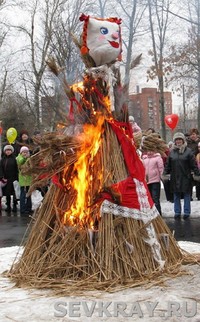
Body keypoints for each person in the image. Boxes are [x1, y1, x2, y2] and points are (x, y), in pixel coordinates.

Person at [162, 132, 200, 220]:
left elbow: (193, 165)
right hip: (175, 178)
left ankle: (186, 212)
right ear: (175, 141)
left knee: (187, 195)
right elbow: (168, 165)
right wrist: (164, 174)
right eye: (177, 140)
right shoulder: (171, 152)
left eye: (180, 139)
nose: (178, 141)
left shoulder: (188, 151)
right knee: (176, 196)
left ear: (183, 140)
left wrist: (197, 174)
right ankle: (177, 212)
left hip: (186, 177)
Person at [142, 151, 164, 215]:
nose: (149, 152)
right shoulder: (144, 158)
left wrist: (162, 177)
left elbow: (161, 168)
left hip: (155, 181)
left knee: (155, 198)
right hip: (147, 181)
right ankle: (150, 213)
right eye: (148, 150)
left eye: (151, 150)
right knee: (148, 198)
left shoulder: (157, 158)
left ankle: (158, 214)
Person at [0, 145, 19, 214]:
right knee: (7, 193)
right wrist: (2, 176)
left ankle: (14, 205)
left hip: (13, 178)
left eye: (9, 150)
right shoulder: (3, 159)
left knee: (14, 193)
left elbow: (17, 169)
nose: (8, 151)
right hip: (5, 179)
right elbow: (1, 168)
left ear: (11, 151)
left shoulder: (15, 159)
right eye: (6, 150)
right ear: (5, 151)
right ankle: (8, 206)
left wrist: (16, 177)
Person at [16, 146, 33, 216]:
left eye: (26, 152)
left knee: (29, 194)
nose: (25, 153)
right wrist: (25, 157)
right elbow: (20, 162)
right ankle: (22, 209)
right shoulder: (19, 157)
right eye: (23, 152)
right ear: (21, 152)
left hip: (29, 178)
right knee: (23, 194)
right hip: (23, 179)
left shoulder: (29, 158)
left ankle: (29, 208)